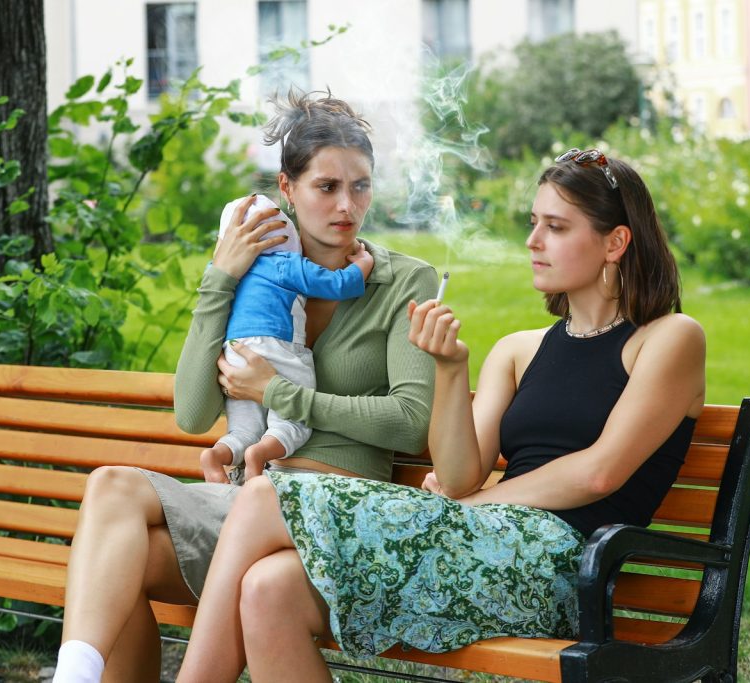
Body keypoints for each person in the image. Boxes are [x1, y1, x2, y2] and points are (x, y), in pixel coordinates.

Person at [171, 148, 707, 682]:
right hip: (480, 545)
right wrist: (451, 369)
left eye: (557, 227)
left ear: (615, 242)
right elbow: (456, 478)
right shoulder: (519, 349)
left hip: (561, 568)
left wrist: (480, 503)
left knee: (266, 494)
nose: (533, 241)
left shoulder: (669, 338)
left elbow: (600, 472)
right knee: (268, 587)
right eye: (534, 223)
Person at [51, 91, 438, 683]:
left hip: (335, 512)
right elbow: (192, 411)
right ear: (288, 189)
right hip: (244, 504)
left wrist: (279, 394)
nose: (347, 205)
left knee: (114, 553)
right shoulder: (258, 275)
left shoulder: (401, 279)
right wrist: (221, 279)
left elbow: (410, 420)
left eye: (360, 186)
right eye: (326, 187)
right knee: (113, 516)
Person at [200, 193, 375, 483]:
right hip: (275, 346)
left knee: (243, 429)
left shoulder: (227, 272)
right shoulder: (283, 264)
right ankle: (261, 455)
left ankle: (216, 456)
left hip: (234, 354)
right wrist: (363, 265)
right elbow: (337, 284)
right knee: (292, 421)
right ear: (284, 232)